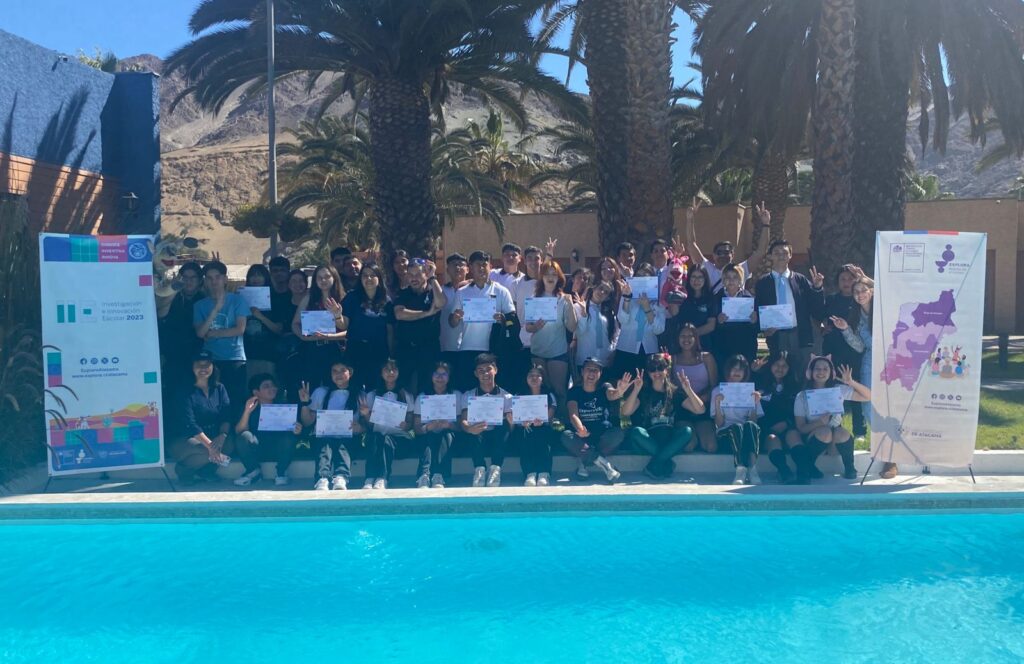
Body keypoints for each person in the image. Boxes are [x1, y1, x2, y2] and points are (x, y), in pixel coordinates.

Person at [830, 278, 892, 477]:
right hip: (869, 363)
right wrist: (845, 329)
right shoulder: (855, 316)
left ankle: (891, 459)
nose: (859, 295)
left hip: (890, 361)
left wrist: (867, 277)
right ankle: (883, 448)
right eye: (856, 291)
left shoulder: (883, 309)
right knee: (868, 406)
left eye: (863, 290)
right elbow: (859, 346)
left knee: (890, 405)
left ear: (871, 291)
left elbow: (891, 290)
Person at [620, 353, 702, 479]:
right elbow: (626, 412)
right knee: (636, 432)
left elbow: (700, 409)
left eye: (660, 368)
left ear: (666, 370)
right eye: (652, 369)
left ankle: (656, 463)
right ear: (648, 373)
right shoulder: (643, 392)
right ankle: (665, 461)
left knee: (687, 431)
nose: (656, 372)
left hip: (668, 438)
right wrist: (636, 389)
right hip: (648, 440)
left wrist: (688, 389)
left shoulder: (675, 392)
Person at [753, 239, 826, 377]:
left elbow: (816, 309)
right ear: (770, 256)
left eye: (785, 253)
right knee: (776, 372)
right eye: (777, 253)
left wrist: (817, 288)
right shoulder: (762, 282)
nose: (781, 256)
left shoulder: (800, 280)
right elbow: (758, 309)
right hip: (774, 336)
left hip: (798, 334)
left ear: (790, 255)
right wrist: (763, 330)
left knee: (800, 372)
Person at [794, 356, 872, 482]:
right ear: (810, 372)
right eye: (817, 369)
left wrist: (851, 382)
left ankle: (850, 467)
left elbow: (868, 396)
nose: (821, 372)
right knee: (825, 432)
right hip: (815, 438)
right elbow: (801, 428)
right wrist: (819, 423)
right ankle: (809, 465)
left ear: (831, 373)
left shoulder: (838, 389)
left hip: (834, 441)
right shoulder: (802, 396)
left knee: (842, 433)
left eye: (825, 369)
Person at [449, 251, 516, 391]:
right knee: (467, 389)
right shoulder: (462, 292)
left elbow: (513, 319)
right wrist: (455, 317)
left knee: (491, 390)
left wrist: (503, 319)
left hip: (492, 349)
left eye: (484, 265)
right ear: (470, 268)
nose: (481, 268)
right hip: (467, 348)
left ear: (490, 267)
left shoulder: (501, 291)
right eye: (477, 265)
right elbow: (452, 323)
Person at [561, 358, 632, 482]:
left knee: (618, 434)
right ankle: (606, 465)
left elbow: (613, 394)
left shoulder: (605, 387)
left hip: (603, 435)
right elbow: (573, 414)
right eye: (589, 369)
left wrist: (620, 390)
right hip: (583, 436)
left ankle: (585, 462)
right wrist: (580, 429)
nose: (592, 373)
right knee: (566, 436)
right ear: (582, 372)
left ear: (600, 374)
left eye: (595, 370)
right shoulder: (574, 391)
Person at [169, 351, 232, 485]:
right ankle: (184, 471)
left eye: (207, 364)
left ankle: (206, 471)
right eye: (199, 365)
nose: (203, 368)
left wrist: (222, 435)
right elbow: (190, 423)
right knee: (205, 450)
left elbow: (226, 415)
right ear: (192, 367)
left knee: (230, 444)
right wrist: (211, 446)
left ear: (213, 366)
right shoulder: (184, 390)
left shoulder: (219, 388)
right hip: (186, 437)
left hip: (212, 434)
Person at [193, 260, 248, 415]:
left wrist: (213, 333)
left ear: (225, 279)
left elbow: (240, 329)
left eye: (217, 277)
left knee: (236, 401)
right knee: (213, 402)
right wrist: (216, 309)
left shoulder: (237, 300)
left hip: (234, 358)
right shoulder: (199, 305)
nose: (214, 281)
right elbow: (200, 333)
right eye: (209, 278)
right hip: (211, 360)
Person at [300, 360, 362, 491]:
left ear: (350, 373)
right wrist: (305, 403)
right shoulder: (321, 392)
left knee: (342, 446)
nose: (338, 374)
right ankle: (322, 478)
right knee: (325, 445)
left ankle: (341, 477)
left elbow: (367, 426)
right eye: (334, 371)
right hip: (323, 438)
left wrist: (360, 428)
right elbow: (307, 422)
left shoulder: (360, 395)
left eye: (342, 370)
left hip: (348, 438)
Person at [684, 198, 770, 293]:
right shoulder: (707, 269)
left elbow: (761, 252)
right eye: (719, 252)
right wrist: (690, 219)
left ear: (732, 254)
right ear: (713, 255)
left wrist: (766, 224)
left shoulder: (741, 269)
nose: (723, 255)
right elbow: (691, 244)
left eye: (726, 252)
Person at [524, 260, 578, 408]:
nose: (550, 277)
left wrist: (570, 304)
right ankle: (544, 419)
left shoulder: (563, 299)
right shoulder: (534, 298)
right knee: (541, 390)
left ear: (558, 277)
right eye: (547, 274)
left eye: (554, 274)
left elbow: (572, 327)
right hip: (538, 351)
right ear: (541, 277)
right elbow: (528, 327)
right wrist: (535, 327)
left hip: (557, 351)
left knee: (559, 390)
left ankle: (561, 418)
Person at [822, 264, 868, 438]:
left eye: (850, 278)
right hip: (833, 349)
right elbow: (820, 318)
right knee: (834, 388)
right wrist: (821, 328)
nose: (846, 282)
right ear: (838, 282)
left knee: (854, 386)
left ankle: (859, 430)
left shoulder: (859, 300)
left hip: (854, 351)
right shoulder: (831, 300)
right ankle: (835, 425)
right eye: (843, 279)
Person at [232, 373, 299, 487]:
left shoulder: (283, 406)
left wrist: (297, 429)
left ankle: (281, 472)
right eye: (266, 386)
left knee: (288, 437)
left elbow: (294, 430)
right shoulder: (250, 407)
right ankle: (253, 472)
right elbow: (239, 431)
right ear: (256, 392)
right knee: (243, 436)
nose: (272, 388)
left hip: (279, 450)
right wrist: (247, 411)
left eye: (273, 385)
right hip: (258, 448)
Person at [458, 353, 514, 487]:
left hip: (498, 436)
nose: (485, 374)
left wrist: (512, 422)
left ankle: (495, 469)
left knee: (504, 426)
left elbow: (511, 428)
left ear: (496, 370)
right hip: (479, 435)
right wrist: (469, 428)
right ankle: (479, 469)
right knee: (473, 428)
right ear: (475, 374)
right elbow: (463, 420)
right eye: (481, 371)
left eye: (488, 369)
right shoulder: (468, 395)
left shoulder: (507, 396)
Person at [392, 259, 446, 394]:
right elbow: (399, 314)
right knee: (402, 387)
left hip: (428, 348)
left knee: (427, 387)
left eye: (418, 274)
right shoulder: (403, 293)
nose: (413, 278)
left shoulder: (433, 292)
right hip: (406, 348)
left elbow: (441, 303)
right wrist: (426, 313)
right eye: (410, 274)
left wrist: (433, 277)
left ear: (425, 274)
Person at [360, 359, 415, 490]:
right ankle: (369, 478)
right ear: (381, 373)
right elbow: (369, 426)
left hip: (399, 440)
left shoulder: (406, 395)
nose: (390, 372)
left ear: (399, 372)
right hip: (377, 438)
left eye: (394, 369)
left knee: (386, 439)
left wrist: (406, 425)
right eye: (386, 369)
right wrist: (366, 414)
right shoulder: (371, 395)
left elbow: (410, 423)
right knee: (376, 438)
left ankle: (382, 478)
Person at [337, 262, 393, 389]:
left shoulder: (386, 301)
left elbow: (390, 331)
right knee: (355, 388)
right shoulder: (352, 297)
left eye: (372, 275)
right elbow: (343, 325)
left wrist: (390, 353)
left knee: (377, 388)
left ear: (379, 278)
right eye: (365, 275)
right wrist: (337, 315)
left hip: (379, 351)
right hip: (356, 350)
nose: (368, 278)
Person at [711, 355, 765, 485]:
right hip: (727, 435)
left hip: (747, 435)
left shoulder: (750, 391)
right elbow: (719, 424)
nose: (737, 372)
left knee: (749, 425)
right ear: (728, 370)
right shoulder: (718, 391)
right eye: (734, 369)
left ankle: (752, 469)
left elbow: (754, 422)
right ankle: (740, 470)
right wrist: (717, 404)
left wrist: (755, 404)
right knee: (736, 427)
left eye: (740, 369)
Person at [158, 261, 204, 415]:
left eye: (193, 278)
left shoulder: (204, 299)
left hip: (196, 355)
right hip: (172, 355)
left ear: (200, 280)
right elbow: (161, 314)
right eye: (185, 277)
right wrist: (173, 290)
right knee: (172, 394)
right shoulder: (173, 297)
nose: (189, 281)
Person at [291, 265, 346, 389]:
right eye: (319, 278)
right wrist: (303, 337)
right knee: (313, 388)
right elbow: (295, 324)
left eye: (327, 276)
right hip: (312, 349)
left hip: (336, 350)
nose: (323, 280)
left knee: (335, 387)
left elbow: (349, 330)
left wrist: (329, 335)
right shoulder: (309, 298)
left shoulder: (343, 299)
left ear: (334, 278)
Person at [752, 352, 803, 483]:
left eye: (784, 365)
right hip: (767, 430)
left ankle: (804, 471)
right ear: (770, 365)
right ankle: (784, 471)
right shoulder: (760, 384)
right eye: (776, 364)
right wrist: (754, 371)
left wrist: (787, 423)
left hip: (788, 426)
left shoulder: (794, 387)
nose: (780, 368)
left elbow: (798, 411)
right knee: (772, 439)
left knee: (793, 435)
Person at [671, 324, 718, 452]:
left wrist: (701, 398)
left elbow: (714, 385)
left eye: (690, 336)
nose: (686, 339)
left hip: (703, 405)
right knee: (689, 445)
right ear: (677, 338)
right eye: (683, 336)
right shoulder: (673, 359)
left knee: (711, 447)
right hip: (683, 406)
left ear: (696, 338)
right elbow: (670, 386)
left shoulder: (707, 357)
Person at [413, 361, 460, 488]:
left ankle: (439, 475)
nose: (440, 377)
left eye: (444, 374)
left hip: (449, 436)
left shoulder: (456, 395)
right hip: (427, 434)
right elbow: (416, 428)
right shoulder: (422, 397)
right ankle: (424, 475)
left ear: (449, 377)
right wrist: (428, 427)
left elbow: (461, 426)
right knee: (428, 437)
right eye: (436, 374)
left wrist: (449, 425)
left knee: (446, 435)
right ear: (431, 376)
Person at [513, 363, 558, 487]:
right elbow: (516, 415)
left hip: (543, 426)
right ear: (526, 378)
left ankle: (544, 473)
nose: (534, 378)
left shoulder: (549, 394)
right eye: (530, 375)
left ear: (542, 378)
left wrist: (543, 420)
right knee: (525, 440)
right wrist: (522, 422)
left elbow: (551, 411)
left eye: (537, 375)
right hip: (526, 427)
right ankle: (530, 473)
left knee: (544, 438)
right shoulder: (519, 394)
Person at [241, 264, 285, 380]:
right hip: (246, 353)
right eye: (252, 275)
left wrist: (260, 316)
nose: (255, 278)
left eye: (259, 275)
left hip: (268, 354)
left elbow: (279, 329)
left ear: (266, 277)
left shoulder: (275, 299)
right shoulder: (241, 299)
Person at [712, 263, 758, 367]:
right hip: (723, 346)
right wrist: (718, 321)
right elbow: (711, 323)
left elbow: (756, 328)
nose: (731, 280)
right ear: (723, 280)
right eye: (728, 277)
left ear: (740, 280)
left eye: (735, 277)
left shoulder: (749, 298)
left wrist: (754, 321)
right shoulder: (716, 298)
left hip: (744, 345)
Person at [612, 288, 665, 377]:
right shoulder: (628, 294)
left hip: (649, 350)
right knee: (623, 381)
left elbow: (658, 329)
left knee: (647, 382)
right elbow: (622, 319)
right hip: (626, 348)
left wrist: (647, 307)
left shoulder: (658, 299)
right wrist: (627, 298)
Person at [664, 266, 716, 355]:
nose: (696, 280)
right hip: (682, 344)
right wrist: (673, 296)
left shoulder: (711, 298)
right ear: (689, 278)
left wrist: (690, 336)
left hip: (703, 344)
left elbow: (711, 325)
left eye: (700, 277)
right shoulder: (682, 295)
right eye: (693, 277)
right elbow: (674, 314)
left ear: (705, 279)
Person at [573, 280, 618, 379]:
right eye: (600, 288)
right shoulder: (578, 307)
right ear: (593, 288)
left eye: (606, 292)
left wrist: (612, 351)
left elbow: (616, 334)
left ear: (608, 297)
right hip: (585, 359)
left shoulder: (609, 313)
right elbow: (579, 333)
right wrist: (584, 314)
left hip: (605, 359)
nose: (602, 292)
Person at [440, 253, 469, 369]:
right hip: (447, 346)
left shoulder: (475, 290)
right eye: (453, 265)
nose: (457, 267)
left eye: (461, 264)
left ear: (467, 269)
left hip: (469, 346)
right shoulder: (441, 291)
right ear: (447, 270)